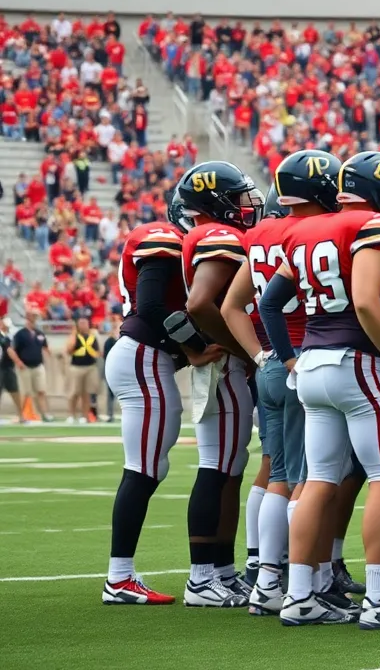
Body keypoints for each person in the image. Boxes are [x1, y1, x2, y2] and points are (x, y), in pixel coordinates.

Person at [260, 151, 380, 630]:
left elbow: (272, 305)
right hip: (358, 363)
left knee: (319, 479)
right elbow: (364, 300)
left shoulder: (300, 230)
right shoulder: (374, 226)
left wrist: (289, 358)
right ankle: (379, 600)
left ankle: (298, 596)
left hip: (312, 363)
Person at [219, 150, 343, 617]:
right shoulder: (313, 231)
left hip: (271, 365)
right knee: (310, 479)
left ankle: (266, 579)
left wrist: (260, 354)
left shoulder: (260, 234)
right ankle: (299, 583)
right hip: (306, 359)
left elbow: (234, 305)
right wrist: (287, 356)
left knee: (277, 472)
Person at [103, 211, 218, 604]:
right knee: (143, 469)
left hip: (147, 357)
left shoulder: (172, 241)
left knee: (150, 466)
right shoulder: (164, 238)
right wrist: (197, 347)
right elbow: (151, 307)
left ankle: (120, 576)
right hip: (142, 356)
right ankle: (118, 578)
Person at [175, 161, 263, 608]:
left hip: (224, 367)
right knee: (217, 468)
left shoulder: (213, 235)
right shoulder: (219, 236)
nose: (249, 204)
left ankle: (222, 573)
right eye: (240, 196)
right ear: (217, 201)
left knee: (228, 469)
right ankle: (202, 577)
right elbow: (200, 303)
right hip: (225, 367)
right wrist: (242, 348)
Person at [13, 310, 51, 422]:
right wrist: (18, 362)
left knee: (41, 391)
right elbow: (14, 350)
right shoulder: (20, 334)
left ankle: (44, 414)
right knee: (25, 392)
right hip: (25, 366)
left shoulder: (39, 334)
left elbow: (45, 347)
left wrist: (49, 354)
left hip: (38, 365)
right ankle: (20, 415)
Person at [65, 316, 102, 424]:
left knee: (86, 393)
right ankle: (71, 415)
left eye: (85, 323)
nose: (83, 325)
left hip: (90, 367)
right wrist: (73, 333)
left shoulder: (92, 336)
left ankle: (85, 416)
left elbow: (98, 351)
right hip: (76, 367)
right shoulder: (74, 336)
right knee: (74, 392)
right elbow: (68, 350)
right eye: (80, 323)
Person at [0, 317, 23, 422]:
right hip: (2, 367)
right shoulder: (3, 338)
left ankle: (21, 415)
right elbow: (9, 350)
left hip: (8, 367)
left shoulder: (7, 337)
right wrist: (18, 361)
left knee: (15, 391)